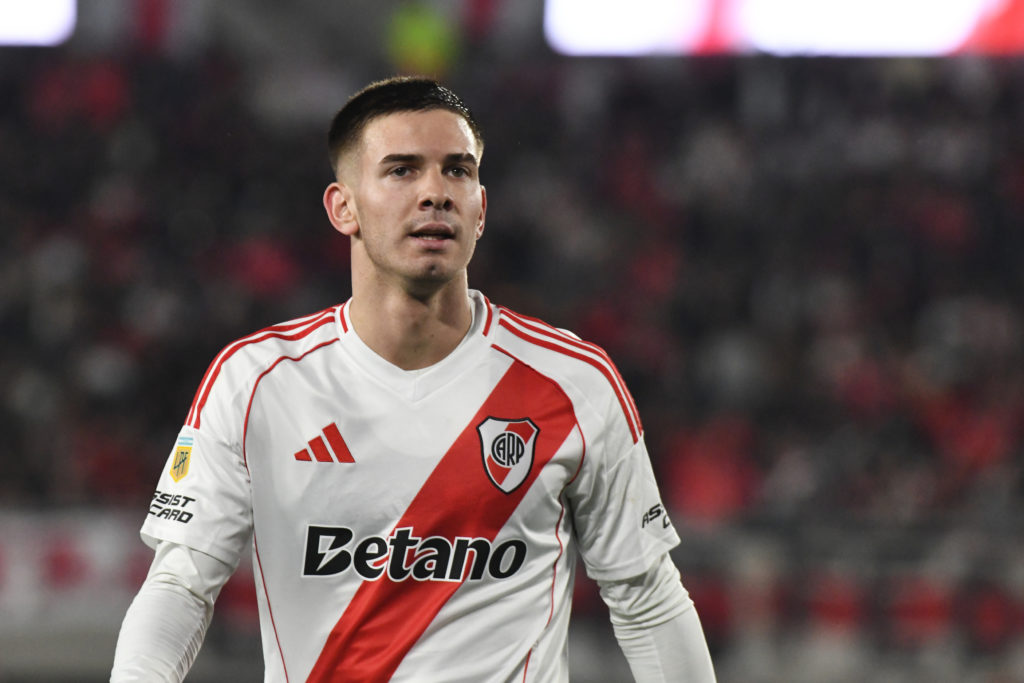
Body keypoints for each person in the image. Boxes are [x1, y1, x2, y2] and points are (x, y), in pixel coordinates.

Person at [110, 76, 716, 682]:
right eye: (402, 170)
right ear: (342, 207)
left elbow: (647, 598)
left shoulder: (574, 383)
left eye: (457, 171)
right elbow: (181, 586)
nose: (435, 193)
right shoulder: (256, 384)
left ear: (482, 207)